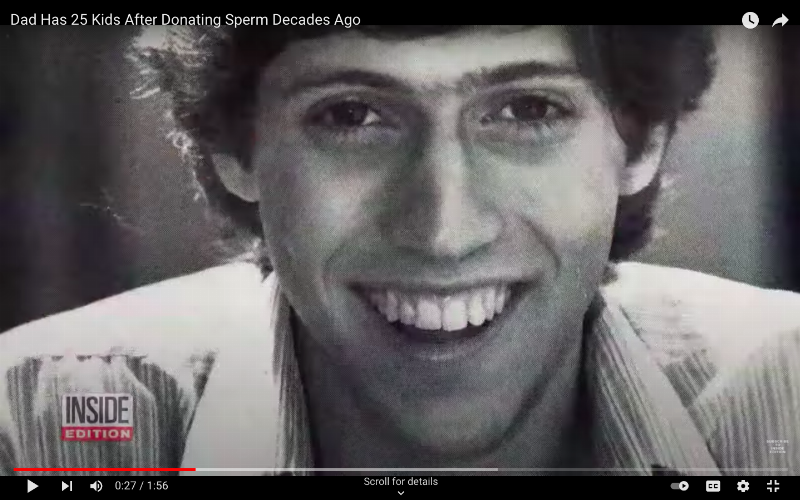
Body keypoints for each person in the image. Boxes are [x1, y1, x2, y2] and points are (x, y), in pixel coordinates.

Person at [1, 25, 799, 477]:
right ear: (233, 150)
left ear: (641, 142)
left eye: (527, 110)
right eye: (350, 116)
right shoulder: (27, 429)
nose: (444, 234)